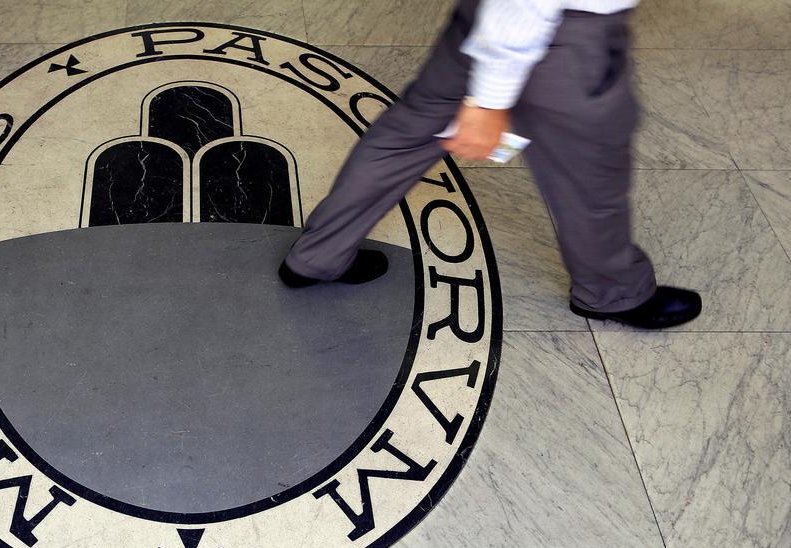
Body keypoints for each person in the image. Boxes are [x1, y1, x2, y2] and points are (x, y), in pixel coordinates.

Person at [278, 0, 701, 330]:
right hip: (559, 32)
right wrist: (489, 99)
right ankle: (612, 291)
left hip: (489, 16)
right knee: (591, 180)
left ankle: (318, 254)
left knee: (404, 137)